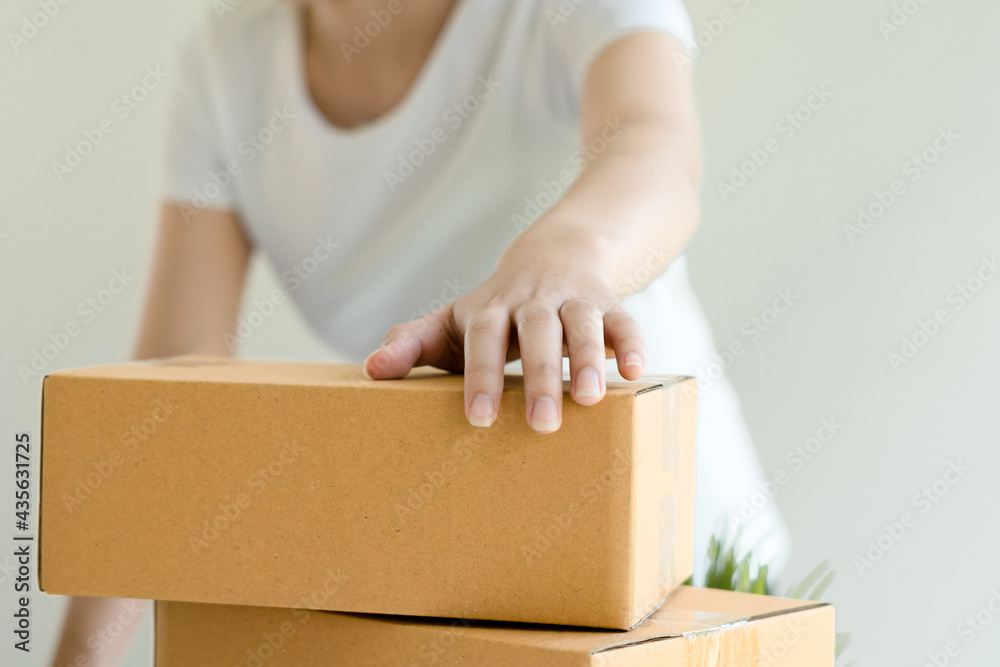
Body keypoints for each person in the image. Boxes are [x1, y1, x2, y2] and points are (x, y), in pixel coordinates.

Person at [50, 0, 788, 664]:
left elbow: (653, 143)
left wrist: (563, 257)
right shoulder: (224, 64)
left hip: (685, 576)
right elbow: (164, 417)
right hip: (446, 591)